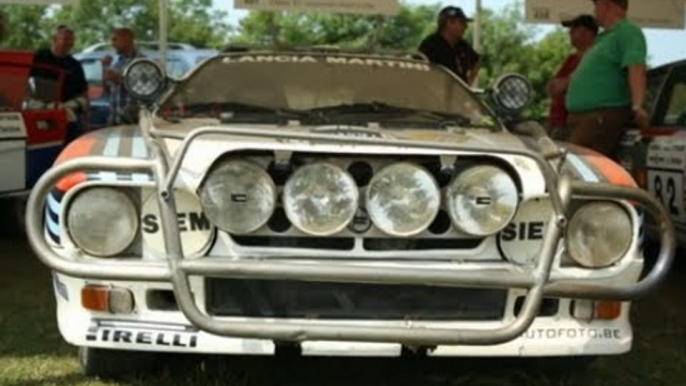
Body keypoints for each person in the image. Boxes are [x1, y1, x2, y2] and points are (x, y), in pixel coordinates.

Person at [564, 0, 648, 156]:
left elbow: (636, 67)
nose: (594, 11)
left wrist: (637, 105)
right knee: (573, 166)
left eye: (596, 6)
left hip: (598, 117)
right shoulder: (603, 38)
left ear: (606, 5)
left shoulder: (628, 31)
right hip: (584, 118)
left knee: (579, 167)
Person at [31, 25, 89, 141]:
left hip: (66, 113)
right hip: (39, 110)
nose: (69, 42)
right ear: (54, 39)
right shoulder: (38, 57)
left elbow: (84, 92)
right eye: (66, 39)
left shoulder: (75, 65)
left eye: (72, 39)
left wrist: (86, 119)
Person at [547, 15, 598, 138]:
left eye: (573, 29)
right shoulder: (571, 59)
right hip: (557, 120)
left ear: (585, 33)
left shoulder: (594, 59)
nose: (569, 33)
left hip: (570, 123)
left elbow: (560, 87)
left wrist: (563, 86)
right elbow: (552, 87)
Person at [418, 6, 481, 85]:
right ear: (449, 23)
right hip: (434, 92)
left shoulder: (462, 45)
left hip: (457, 93)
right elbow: (418, 68)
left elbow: (476, 62)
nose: (465, 27)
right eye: (462, 23)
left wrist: (468, 83)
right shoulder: (431, 44)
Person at [102, 28, 145, 125]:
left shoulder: (141, 61)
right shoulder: (116, 61)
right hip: (114, 117)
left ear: (126, 39)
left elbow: (142, 86)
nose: (113, 44)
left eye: (115, 40)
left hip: (131, 120)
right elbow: (106, 88)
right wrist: (104, 67)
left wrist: (119, 78)